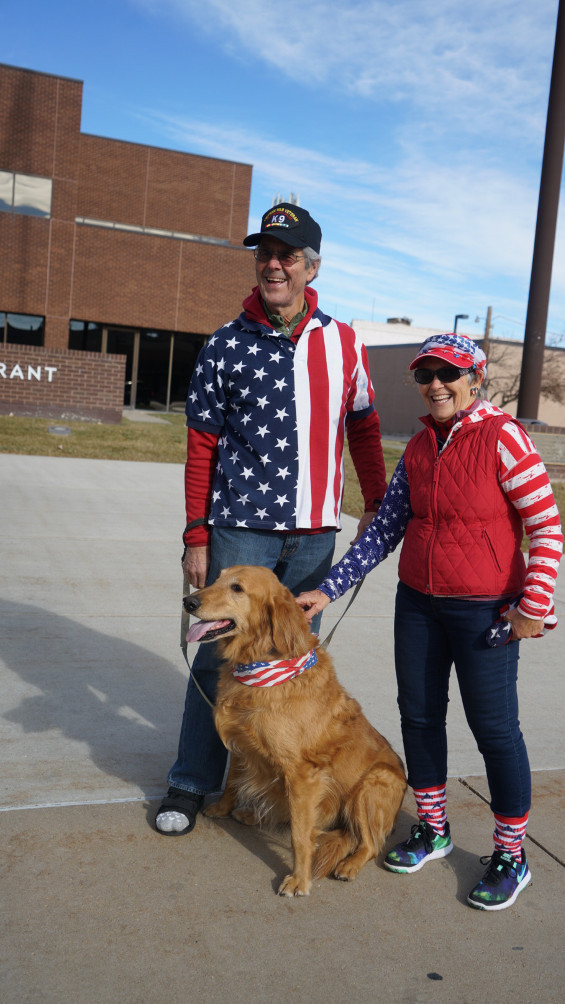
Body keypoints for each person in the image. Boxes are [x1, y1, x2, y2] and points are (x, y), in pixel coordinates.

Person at [297, 333, 563, 911]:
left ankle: (511, 855)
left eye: (448, 372)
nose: (436, 383)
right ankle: (434, 828)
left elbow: (546, 527)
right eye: (426, 375)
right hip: (418, 603)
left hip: (485, 610)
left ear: (475, 378)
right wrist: (328, 589)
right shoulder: (419, 446)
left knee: (495, 732)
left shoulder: (503, 437)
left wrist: (532, 608)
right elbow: (387, 526)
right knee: (418, 719)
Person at [156, 203, 388, 836]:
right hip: (240, 529)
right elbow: (200, 446)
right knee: (214, 655)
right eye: (266, 253)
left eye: (288, 254)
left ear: (312, 267)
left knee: (291, 658)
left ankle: (277, 773)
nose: (274, 265)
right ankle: (190, 782)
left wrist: (375, 501)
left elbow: (364, 429)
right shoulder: (224, 345)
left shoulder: (343, 344)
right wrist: (196, 535)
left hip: (314, 534)